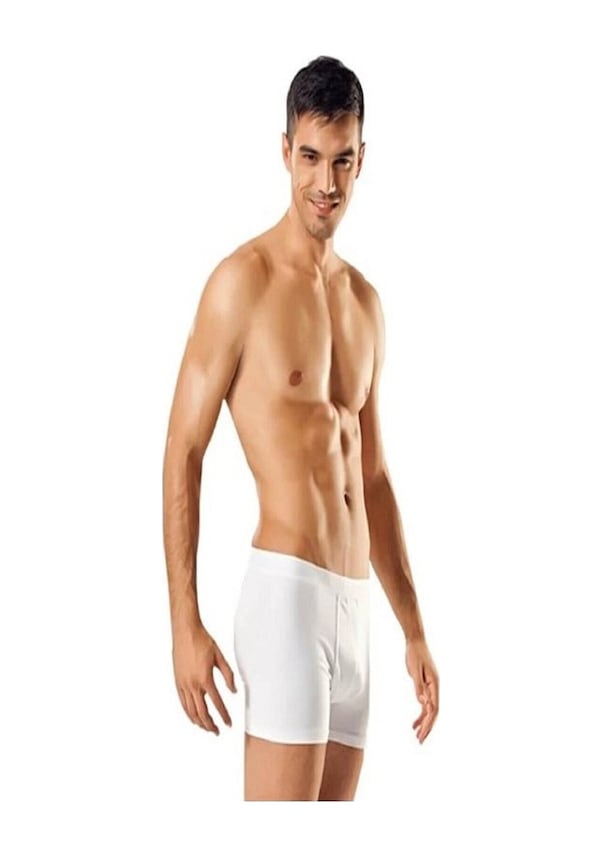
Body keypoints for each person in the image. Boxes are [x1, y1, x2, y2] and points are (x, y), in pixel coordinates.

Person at [162, 55, 439, 801]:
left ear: (362, 159)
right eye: (311, 157)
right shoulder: (241, 282)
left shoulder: (365, 303)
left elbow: (371, 476)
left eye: (342, 160)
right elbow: (184, 448)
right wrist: (184, 622)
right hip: (286, 598)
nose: (326, 182)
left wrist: (413, 627)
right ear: (285, 151)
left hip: (356, 608)